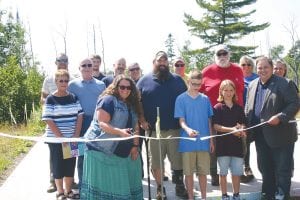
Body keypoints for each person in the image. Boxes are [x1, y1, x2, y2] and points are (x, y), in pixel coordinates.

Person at [80, 75, 143, 199]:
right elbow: (102, 124)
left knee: (120, 185)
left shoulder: (132, 104)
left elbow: (136, 126)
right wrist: (120, 132)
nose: (125, 90)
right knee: (107, 187)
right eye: (122, 87)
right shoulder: (108, 100)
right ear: (115, 87)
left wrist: (135, 145)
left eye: (128, 87)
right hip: (100, 149)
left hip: (121, 151)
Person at [245, 56, 299, 200]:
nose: (262, 70)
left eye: (265, 67)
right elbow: (248, 108)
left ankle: (282, 195)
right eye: (260, 68)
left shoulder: (285, 84)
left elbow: (294, 104)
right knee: (265, 168)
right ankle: (268, 195)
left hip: (281, 135)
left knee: (282, 170)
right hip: (260, 136)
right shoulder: (252, 85)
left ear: (271, 68)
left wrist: (280, 117)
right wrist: (244, 125)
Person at [137, 51, 188, 199]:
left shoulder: (178, 80)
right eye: (160, 60)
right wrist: (142, 119)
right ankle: (160, 188)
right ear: (154, 62)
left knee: (178, 161)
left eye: (165, 61)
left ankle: (180, 185)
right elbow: (137, 103)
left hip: (175, 129)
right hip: (153, 131)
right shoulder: (143, 81)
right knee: (156, 163)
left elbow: (186, 100)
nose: (162, 63)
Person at [199, 44, 244, 186]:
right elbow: (198, 93)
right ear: (215, 56)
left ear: (229, 54)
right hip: (214, 114)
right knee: (215, 146)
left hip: (236, 114)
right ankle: (215, 173)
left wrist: (241, 120)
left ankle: (238, 172)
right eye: (219, 54)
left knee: (239, 144)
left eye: (225, 53)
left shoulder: (238, 69)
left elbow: (242, 91)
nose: (222, 56)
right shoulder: (206, 71)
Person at [42, 69, 83, 200]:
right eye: (61, 81)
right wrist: (61, 138)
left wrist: (75, 136)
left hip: (72, 139)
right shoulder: (50, 99)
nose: (64, 83)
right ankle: (60, 192)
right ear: (56, 82)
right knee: (57, 165)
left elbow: (80, 115)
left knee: (70, 165)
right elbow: (48, 119)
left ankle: (69, 191)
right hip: (55, 140)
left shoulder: (73, 97)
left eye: (66, 80)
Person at [174, 69, 214, 200]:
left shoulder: (205, 99)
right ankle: (191, 197)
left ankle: (203, 197)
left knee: (203, 173)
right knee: (189, 173)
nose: (196, 87)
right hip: (187, 142)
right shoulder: (180, 99)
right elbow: (181, 120)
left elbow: (209, 120)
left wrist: (211, 141)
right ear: (188, 81)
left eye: (199, 84)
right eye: (193, 84)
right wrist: (188, 130)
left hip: (204, 142)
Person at [68, 58, 106, 192]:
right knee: (79, 154)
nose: (87, 67)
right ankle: (82, 185)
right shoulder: (72, 85)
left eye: (89, 65)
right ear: (79, 68)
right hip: (77, 123)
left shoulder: (101, 84)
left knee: (97, 153)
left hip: (96, 122)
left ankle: (97, 184)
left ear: (93, 67)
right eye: (84, 65)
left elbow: (105, 104)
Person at [212, 79, 247, 200]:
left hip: (237, 146)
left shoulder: (239, 108)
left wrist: (241, 129)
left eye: (231, 90)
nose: (228, 92)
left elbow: (243, 124)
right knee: (223, 173)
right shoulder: (217, 107)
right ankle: (224, 195)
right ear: (221, 91)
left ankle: (236, 195)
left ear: (234, 92)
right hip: (222, 147)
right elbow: (216, 126)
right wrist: (232, 130)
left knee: (236, 173)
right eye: (225, 90)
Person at [239, 55, 258, 183]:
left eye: (249, 64)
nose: (246, 67)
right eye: (243, 65)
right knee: (244, 143)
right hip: (240, 115)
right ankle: (245, 167)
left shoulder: (257, 78)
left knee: (258, 142)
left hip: (256, 115)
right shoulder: (237, 78)